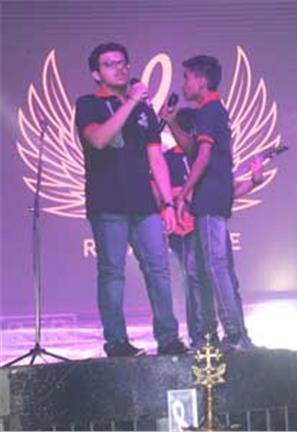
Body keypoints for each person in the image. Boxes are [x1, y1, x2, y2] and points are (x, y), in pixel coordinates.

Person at [74, 42, 186, 357]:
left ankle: (168, 338)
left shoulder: (144, 111)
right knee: (113, 273)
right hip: (107, 203)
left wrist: (168, 202)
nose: (120, 68)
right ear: (96, 73)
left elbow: (156, 158)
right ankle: (117, 342)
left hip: (145, 205)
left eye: (123, 63)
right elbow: (98, 139)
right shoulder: (89, 104)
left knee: (159, 270)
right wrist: (132, 101)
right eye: (110, 64)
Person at [160, 55, 253, 351]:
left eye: (187, 78)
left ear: (202, 81)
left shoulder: (211, 110)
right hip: (208, 198)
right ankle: (228, 334)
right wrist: (171, 122)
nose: (183, 85)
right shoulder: (206, 112)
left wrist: (184, 191)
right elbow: (192, 149)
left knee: (216, 266)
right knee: (208, 267)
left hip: (210, 197)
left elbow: (202, 157)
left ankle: (235, 335)